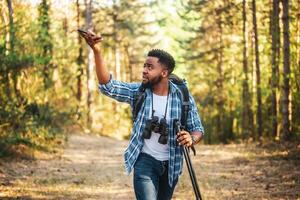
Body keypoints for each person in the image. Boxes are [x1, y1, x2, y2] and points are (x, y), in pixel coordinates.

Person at [81, 30, 204, 200]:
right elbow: (108, 86)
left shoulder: (182, 96)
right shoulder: (138, 92)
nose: (144, 70)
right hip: (145, 161)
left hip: (172, 164)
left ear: (164, 73)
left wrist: (191, 138)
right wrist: (97, 50)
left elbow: (197, 129)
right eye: (144, 66)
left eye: (150, 67)